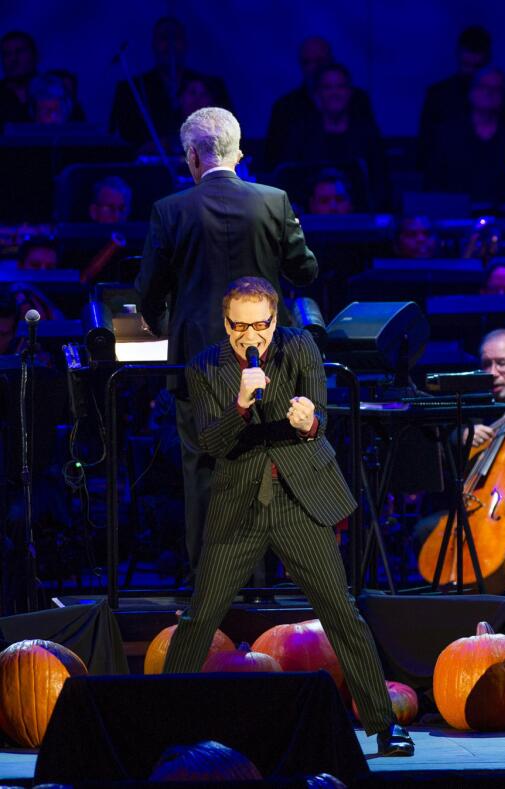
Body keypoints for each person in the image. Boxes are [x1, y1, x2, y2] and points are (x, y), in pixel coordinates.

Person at [161, 278, 411, 757]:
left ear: (275, 320)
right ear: (225, 320)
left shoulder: (298, 348)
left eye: (260, 324)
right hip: (240, 505)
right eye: (239, 325)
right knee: (199, 617)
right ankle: (163, 719)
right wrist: (241, 404)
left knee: (341, 611)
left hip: (299, 498)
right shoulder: (205, 367)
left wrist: (309, 421)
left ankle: (383, 725)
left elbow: (319, 418)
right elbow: (212, 443)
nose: (250, 335)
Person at [136, 107, 318, 577]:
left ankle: (211, 590)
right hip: (266, 357)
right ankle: (264, 589)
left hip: (198, 362)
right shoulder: (273, 201)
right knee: (265, 468)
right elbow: (306, 271)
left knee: (203, 473)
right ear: (237, 153)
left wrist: (162, 326)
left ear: (193, 156)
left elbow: (148, 291)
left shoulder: (170, 210)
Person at [109, 17, 233, 151]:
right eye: (164, 37)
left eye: (176, 37)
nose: (170, 44)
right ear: (154, 45)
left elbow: (231, 136)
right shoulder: (131, 90)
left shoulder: (211, 86)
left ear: (185, 44)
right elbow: (116, 141)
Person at [277, 63, 388, 210]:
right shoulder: (301, 133)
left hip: (358, 217)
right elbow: (289, 180)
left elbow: (380, 182)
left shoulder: (367, 134)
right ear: (317, 94)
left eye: (340, 87)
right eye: (328, 87)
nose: (334, 93)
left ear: (349, 92)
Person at [264, 36, 377, 173]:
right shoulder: (286, 108)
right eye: (307, 62)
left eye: (319, 61)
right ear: (319, 95)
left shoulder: (359, 104)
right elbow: (277, 162)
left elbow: (376, 168)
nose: (313, 67)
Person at [423, 66, 505, 211]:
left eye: (497, 89)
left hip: (504, 217)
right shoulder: (447, 135)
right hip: (456, 217)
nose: (489, 93)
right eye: (484, 87)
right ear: (472, 91)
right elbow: (435, 182)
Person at [417, 26, 505, 161]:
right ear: (458, 54)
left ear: (488, 59)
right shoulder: (438, 96)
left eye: (477, 67)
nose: (471, 73)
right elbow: (426, 145)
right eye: (466, 65)